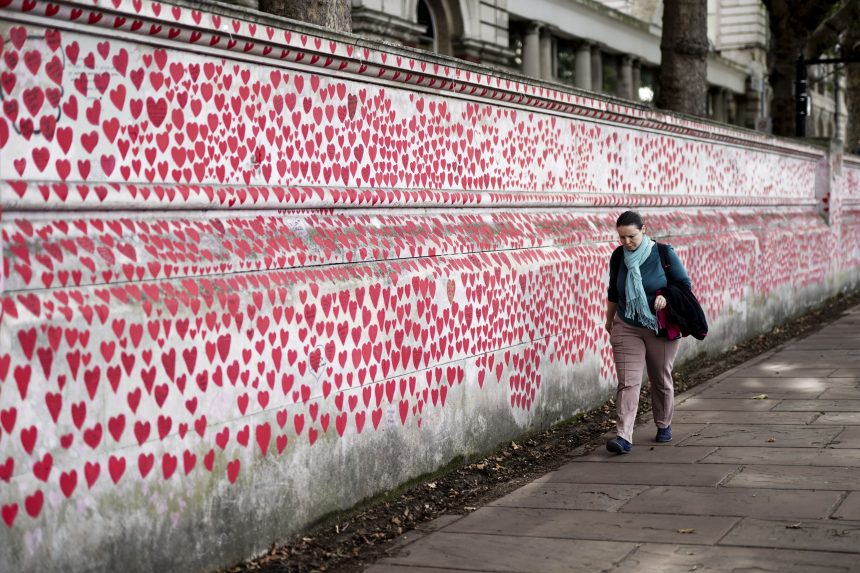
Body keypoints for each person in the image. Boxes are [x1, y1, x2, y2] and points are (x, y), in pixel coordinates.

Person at [604, 211, 691, 454]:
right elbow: (614, 291)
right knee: (628, 382)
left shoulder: (664, 253)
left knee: (660, 378)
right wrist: (609, 320)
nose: (626, 242)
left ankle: (663, 423)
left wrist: (665, 296)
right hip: (626, 325)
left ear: (644, 228)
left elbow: (684, 285)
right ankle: (623, 436)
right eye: (621, 237)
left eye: (631, 236)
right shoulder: (618, 256)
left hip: (659, 326)